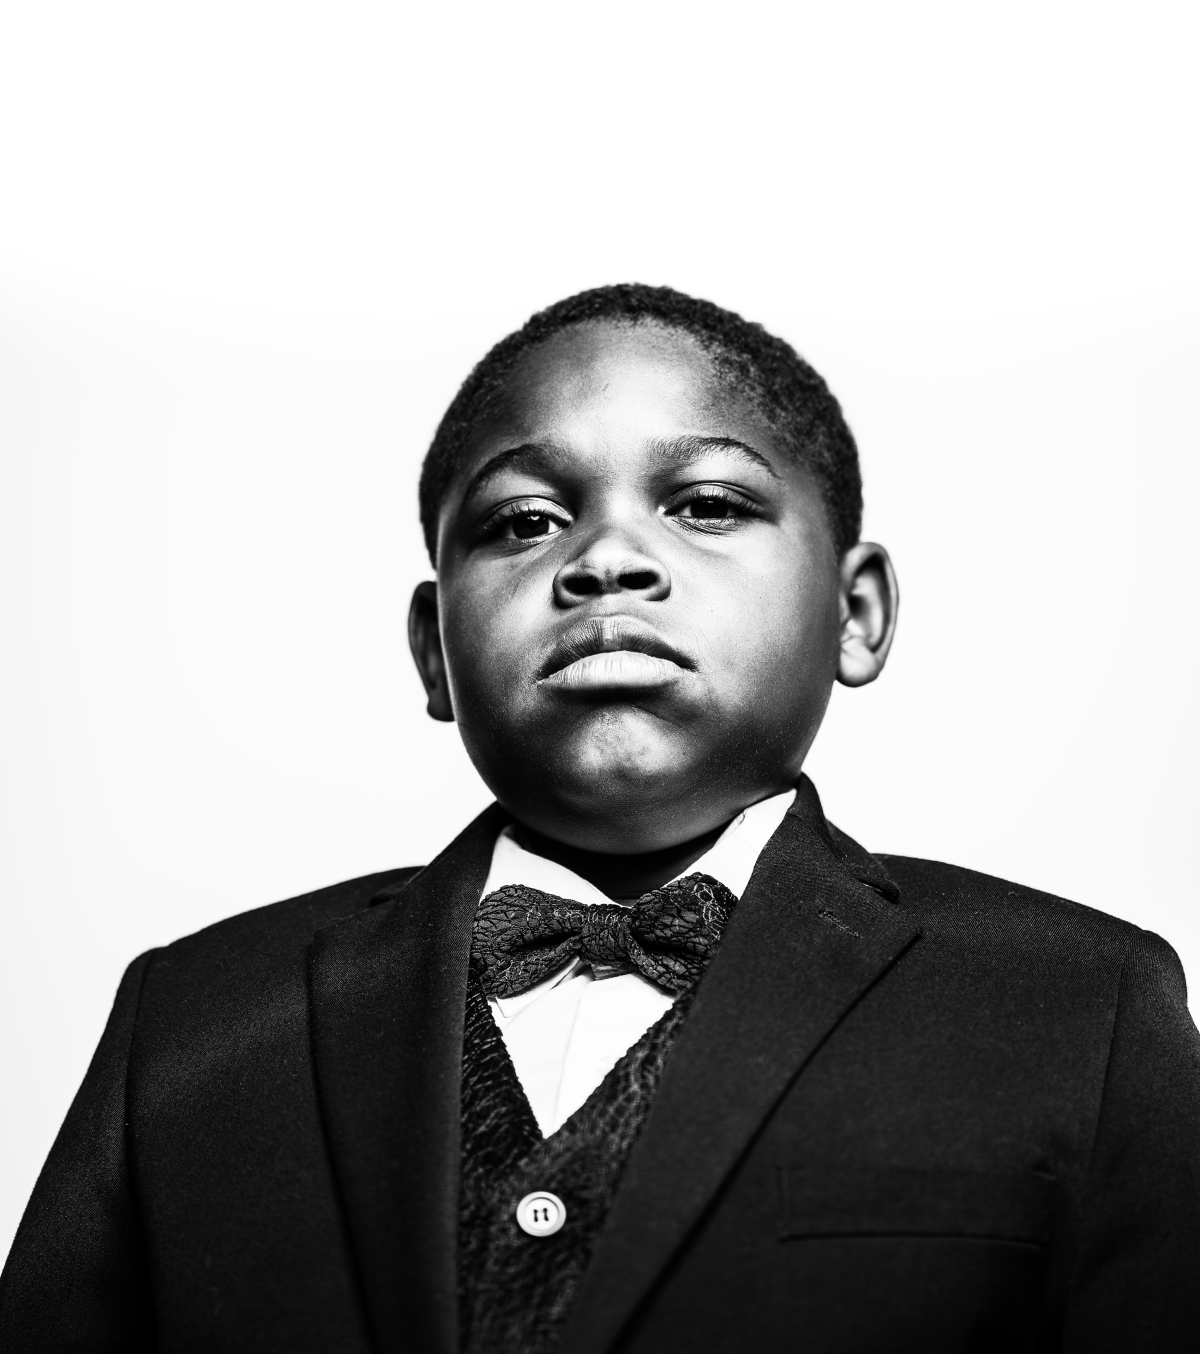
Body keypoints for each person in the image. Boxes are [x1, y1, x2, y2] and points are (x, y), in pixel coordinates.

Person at [2, 284, 1198, 1354]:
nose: (608, 559)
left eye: (708, 504)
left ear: (857, 612)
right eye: (525, 521)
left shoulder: (1080, 1007)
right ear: (433, 649)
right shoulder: (195, 1026)